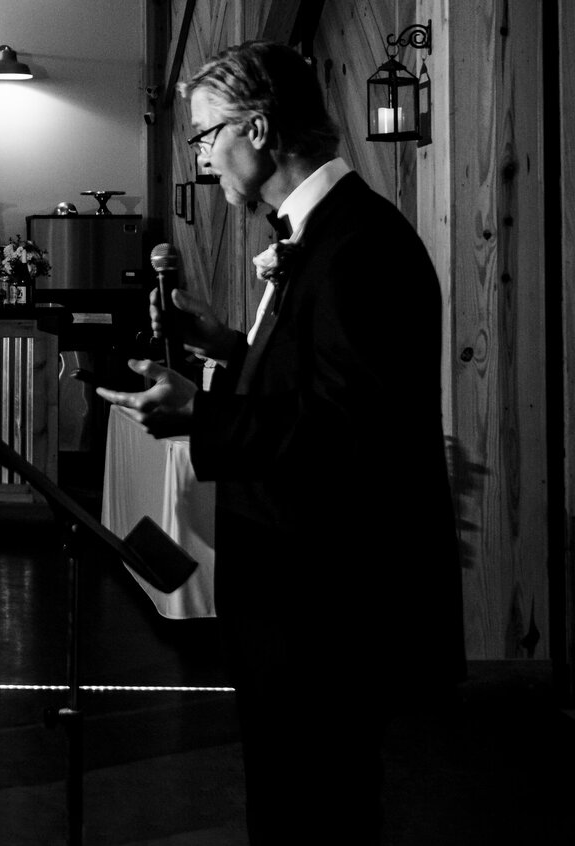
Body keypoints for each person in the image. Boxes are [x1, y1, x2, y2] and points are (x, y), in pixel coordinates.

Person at [97, 42, 464, 844]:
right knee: (289, 801)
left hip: (324, 602)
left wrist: (202, 415)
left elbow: (343, 431)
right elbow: (319, 378)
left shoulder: (359, 246)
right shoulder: (321, 235)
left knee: (317, 811)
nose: (199, 158)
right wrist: (227, 348)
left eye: (204, 135)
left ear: (257, 128)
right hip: (292, 594)